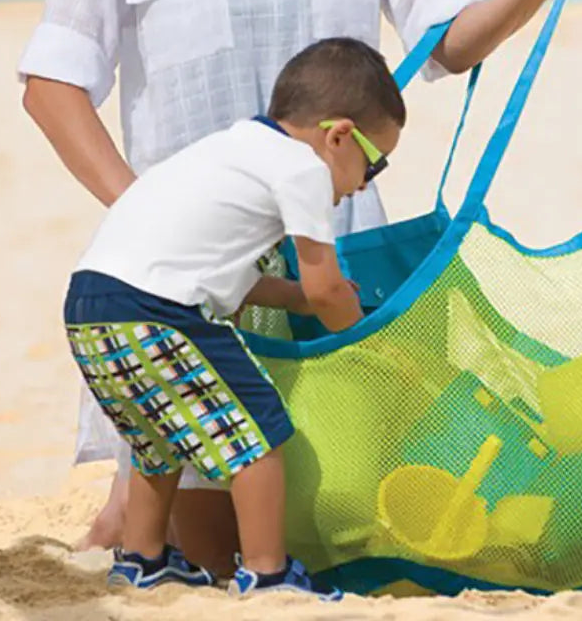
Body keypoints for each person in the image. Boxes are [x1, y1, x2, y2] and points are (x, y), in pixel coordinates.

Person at [19, 0, 582, 573]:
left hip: (328, 276)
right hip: (192, 302)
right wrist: (150, 217)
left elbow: (451, 40)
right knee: (210, 554)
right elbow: (53, 84)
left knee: (343, 542)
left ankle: (145, 520)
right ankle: (145, 519)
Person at [64, 37, 404, 596]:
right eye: (374, 163)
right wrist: (360, 337)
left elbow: (238, 286)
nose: (365, 183)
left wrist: (295, 295)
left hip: (91, 305)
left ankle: (144, 557)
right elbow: (325, 289)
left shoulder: (237, 146)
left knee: (157, 438)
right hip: (158, 312)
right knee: (259, 433)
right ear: (339, 135)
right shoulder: (304, 170)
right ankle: (268, 573)